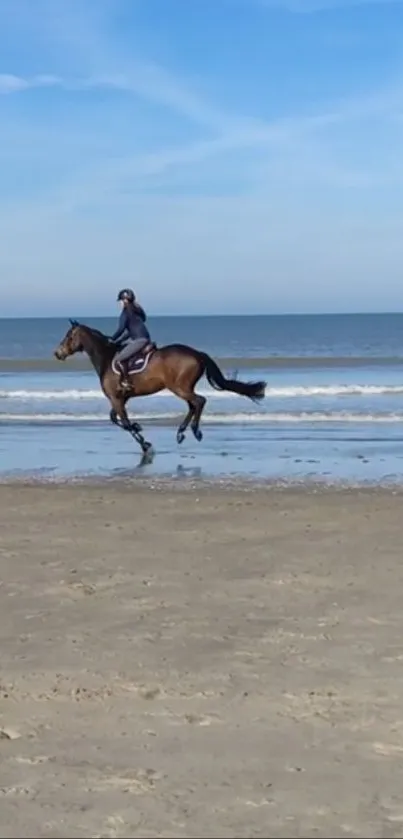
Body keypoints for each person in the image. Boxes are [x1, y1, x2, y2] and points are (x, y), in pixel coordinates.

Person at [110, 288, 153, 390]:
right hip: (145, 339)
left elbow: (121, 329)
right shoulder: (136, 311)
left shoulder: (125, 312)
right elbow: (130, 332)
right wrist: (120, 341)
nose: (120, 304)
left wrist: (112, 339)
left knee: (119, 359)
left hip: (140, 340)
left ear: (125, 300)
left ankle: (126, 382)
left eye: (120, 301)